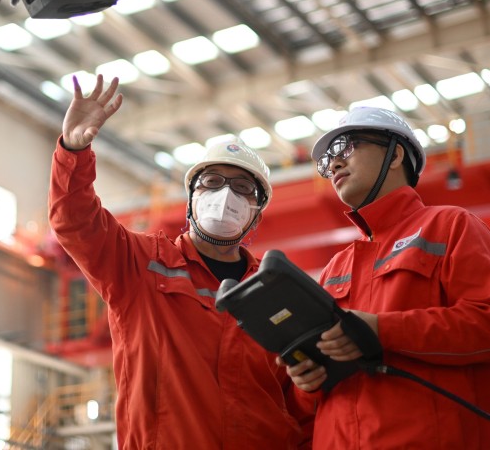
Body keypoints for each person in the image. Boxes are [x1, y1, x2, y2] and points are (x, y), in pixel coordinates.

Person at [48, 74, 311, 449]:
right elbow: (74, 222)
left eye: (242, 189)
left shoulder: (276, 293)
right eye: (213, 181)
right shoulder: (138, 264)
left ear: (256, 213)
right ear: (190, 198)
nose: (226, 196)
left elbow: (300, 401)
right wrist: (73, 152)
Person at [282, 106, 490, 449]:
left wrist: (383, 330)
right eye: (327, 160)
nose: (333, 164)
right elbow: (312, 405)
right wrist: (306, 381)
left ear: (394, 155)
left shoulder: (452, 227)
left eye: (346, 147)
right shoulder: (336, 267)